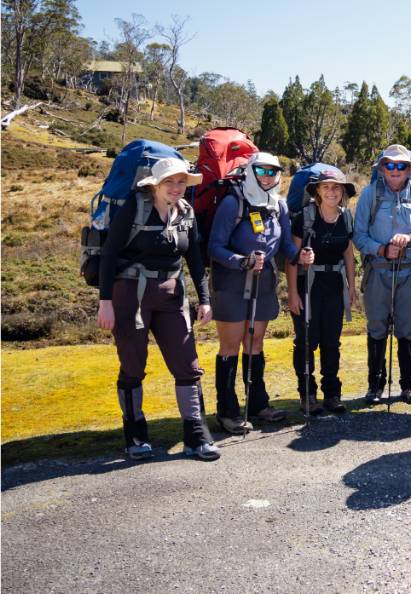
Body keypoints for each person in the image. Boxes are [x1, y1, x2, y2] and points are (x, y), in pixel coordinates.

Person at [96, 157, 219, 460]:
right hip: (130, 296)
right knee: (133, 364)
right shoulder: (135, 209)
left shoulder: (186, 213)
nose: (176, 188)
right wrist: (105, 302)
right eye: (170, 183)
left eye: (181, 183)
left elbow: (195, 260)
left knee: (187, 365)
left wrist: (204, 300)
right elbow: (109, 254)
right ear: (155, 185)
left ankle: (196, 435)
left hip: (172, 296)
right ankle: (135, 435)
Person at [209, 152, 313, 435]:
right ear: (251, 171)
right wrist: (241, 261)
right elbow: (215, 247)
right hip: (231, 283)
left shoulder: (277, 205)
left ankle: (257, 404)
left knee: (255, 343)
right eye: (262, 171)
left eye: (273, 172)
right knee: (230, 347)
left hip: (264, 281)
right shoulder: (233, 203)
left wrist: (300, 256)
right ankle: (227, 411)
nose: (267, 177)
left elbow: (284, 247)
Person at [352, 144, 411, 405]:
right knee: (377, 327)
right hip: (377, 271)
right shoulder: (370, 195)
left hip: (410, 273)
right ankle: (375, 386)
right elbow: (358, 236)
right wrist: (381, 249)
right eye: (389, 165)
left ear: (409, 169)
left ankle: (409, 386)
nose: (395, 170)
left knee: (407, 327)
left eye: (401, 166)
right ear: (381, 168)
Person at [287, 168, 359, 415]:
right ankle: (307, 395)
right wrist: (293, 294)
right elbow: (291, 259)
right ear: (317, 190)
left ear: (343, 192)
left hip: (334, 287)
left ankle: (332, 394)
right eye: (326, 187)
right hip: (308, 287)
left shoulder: (346, 218)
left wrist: (352, 287)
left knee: (331, 342)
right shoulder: (304, 218)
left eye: (336, 187)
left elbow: (348, 254)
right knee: (307, 342)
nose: (332, 191)